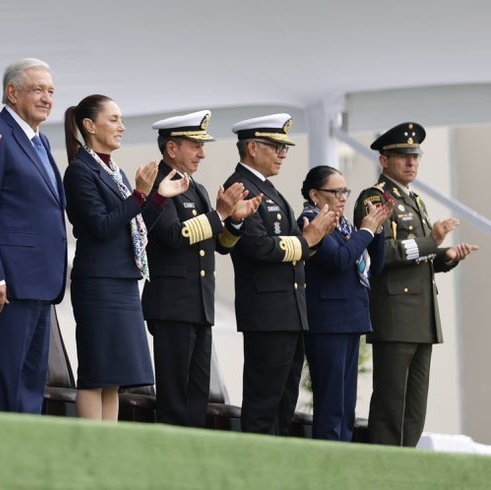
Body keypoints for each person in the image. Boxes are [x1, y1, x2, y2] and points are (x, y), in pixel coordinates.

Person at [62, 94, 191, 420]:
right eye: (114, 119)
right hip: (98, 282)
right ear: (90, 126)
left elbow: (135, 227)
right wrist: (139, 193)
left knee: (114, 378)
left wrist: (158, 199)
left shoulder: (112, 170)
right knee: (95, 373)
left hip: (121, 280)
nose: (122, 126)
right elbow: (102, 226)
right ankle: (92, 452)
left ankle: (109, 449)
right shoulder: (80, 171)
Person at [354, 122, 479, 446]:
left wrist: (446, 255)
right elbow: (378, 255)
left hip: (421, 315)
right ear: (384, 161)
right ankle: (385, 470)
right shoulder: (375, 198)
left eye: (415, 156)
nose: (411, 162)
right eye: (402, 156)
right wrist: (431, 241)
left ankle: (407, 469)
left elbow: (419, 258)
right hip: (395, 315)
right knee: (391, 405)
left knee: (414, 410)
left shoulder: (415, 201)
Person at [219, 113, 337, 435]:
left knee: (284, 404)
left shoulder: (268, 189)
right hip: (267, 313)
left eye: (285, 147)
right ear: (253, 148)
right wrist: (307, 239)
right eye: (276, 146)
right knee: (263, 406)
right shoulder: (240, 187)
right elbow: (256, 247)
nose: (283, 154)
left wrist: (314, 238)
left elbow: (292, 248)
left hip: (288, 312)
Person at [0, 58, 68, 413]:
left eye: (50, 91)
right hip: (7, 285)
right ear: (12, 92)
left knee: (32, 379)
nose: (46, 98)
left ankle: (24, 455)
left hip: (38, 281)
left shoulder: (41, 141)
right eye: (38, 89)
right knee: (5, 379)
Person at [142, 110, 262, 427]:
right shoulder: (159, 181)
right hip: (173, 305)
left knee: (197, 398)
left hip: (197, 306)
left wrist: (234, 220)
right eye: (195, 145)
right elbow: (171, 235)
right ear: (172, 148)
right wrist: (219, 215)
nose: (202, 153)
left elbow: (219, 244)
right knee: (175, 400)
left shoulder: (195, 187)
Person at [298, 166, 391, 441]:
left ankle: (343, 460)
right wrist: (366, 231)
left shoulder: (344, 225)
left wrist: (377, 230)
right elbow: (337, 260)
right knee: (331, 405)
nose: (342, 197)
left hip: (350, 318)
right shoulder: (310, 221)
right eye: (335, 191)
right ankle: (327, 467)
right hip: (328, 322)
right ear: (315, 195)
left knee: (346, 406)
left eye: (345, 191)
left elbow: (376, 265)